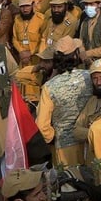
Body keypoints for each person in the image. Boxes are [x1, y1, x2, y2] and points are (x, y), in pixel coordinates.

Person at [34, 37, 92, 166]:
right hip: (90, 141)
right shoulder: (89, 77)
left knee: (69, 182)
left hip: (64, 147)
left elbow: (42, 124)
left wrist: (51, 137)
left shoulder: (49, 87)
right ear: (76, 55)